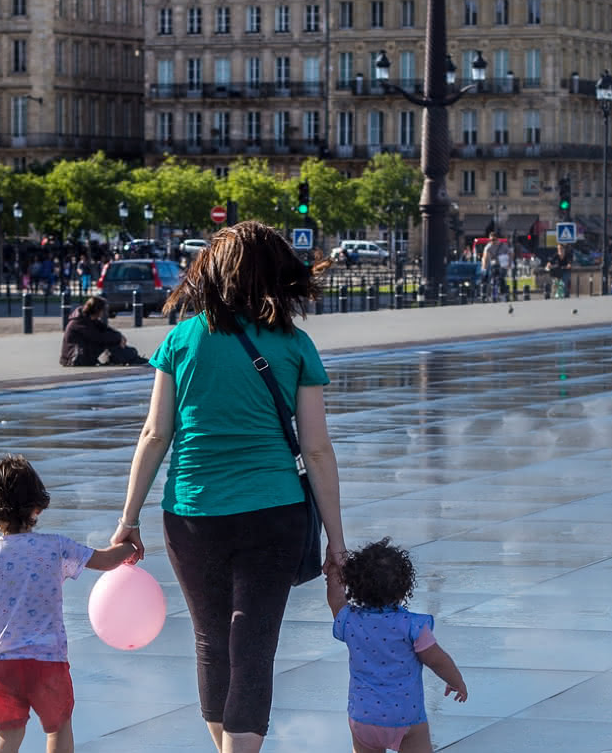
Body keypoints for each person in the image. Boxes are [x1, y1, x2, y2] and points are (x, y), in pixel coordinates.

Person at [111, 221, 345, 753]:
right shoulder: (295, 345)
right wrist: (337, 540)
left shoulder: (180, 339)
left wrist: (128, 520)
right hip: (273, 512)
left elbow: (155, 434)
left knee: (212, 642)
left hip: (192, 514)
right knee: (254, 645)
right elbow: (316, 450)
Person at [0, 455, 137, 753]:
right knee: (59, 728)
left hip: (0, 664)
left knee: (8, 736)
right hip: (47, 662)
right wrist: (130, 545)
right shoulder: (55, 547)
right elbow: (104, 560)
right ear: (36, 507)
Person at [325, 539, 468, 753]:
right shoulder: (412, 627)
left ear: (355, 585)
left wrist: (336, 570)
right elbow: (437, 660)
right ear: (404, 589)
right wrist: (456, 680)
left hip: (364, 716)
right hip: (406, 717)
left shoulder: (350, 621)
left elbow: (335, 598)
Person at [59, 297, 145, 367]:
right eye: (103, 310)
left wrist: (119, 336)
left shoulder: (88, 319)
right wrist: (118, 338)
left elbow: (105, 329)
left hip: (83, 353)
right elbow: (98, 337)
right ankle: (131, 357)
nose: (104, 313)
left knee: (111, 341)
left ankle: (131, 357)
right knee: (109, 342)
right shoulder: (78, 323)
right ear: (97, 310)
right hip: (74, 358)